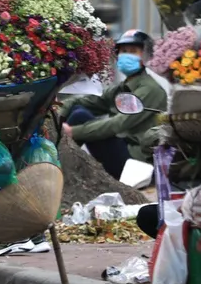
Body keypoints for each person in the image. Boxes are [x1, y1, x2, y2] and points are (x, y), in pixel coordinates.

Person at [58, 30, 167, 180]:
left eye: (133, 51)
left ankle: (55, 167)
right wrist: (58, 112)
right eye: (123, 51)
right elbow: (85, 101)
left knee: (79, 117)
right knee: (77, 110)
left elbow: (118, 123)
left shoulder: (150, 90)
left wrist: (73, 132)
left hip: (138, 163)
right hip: (123, 151)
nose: (125, 55)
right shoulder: (122, 88)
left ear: (146, 56)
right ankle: (57, 164)